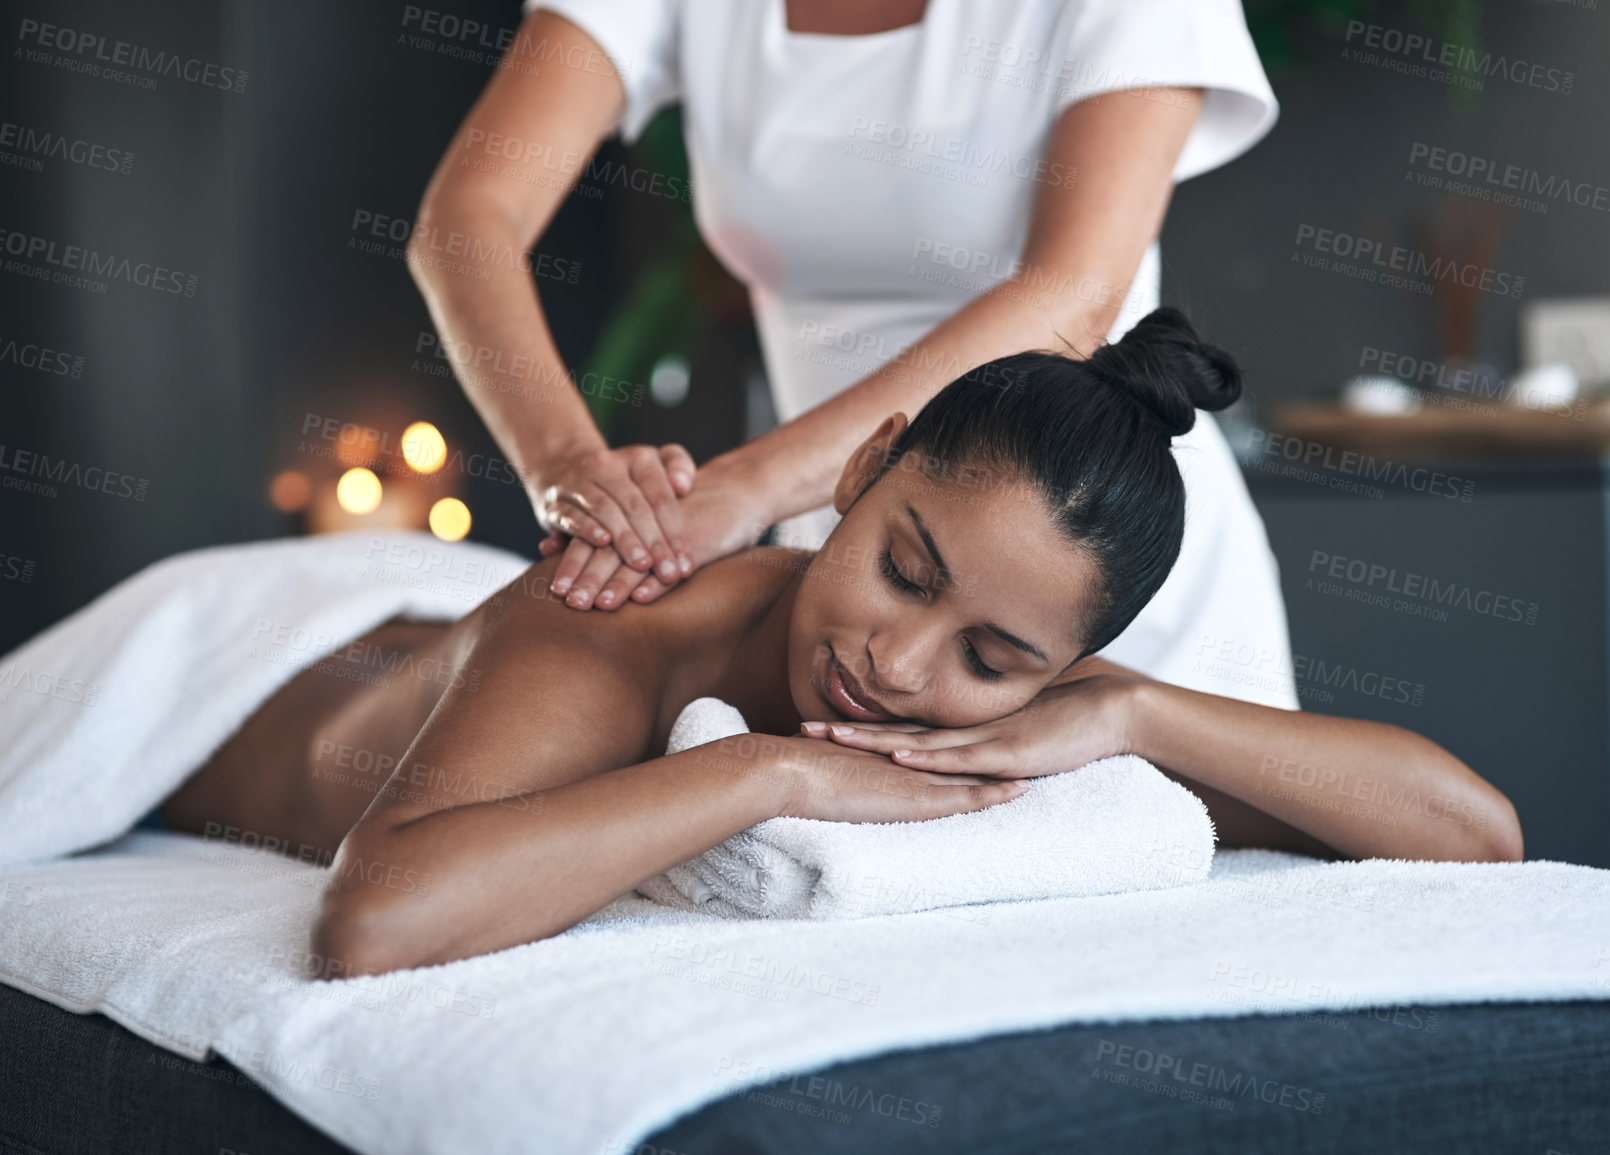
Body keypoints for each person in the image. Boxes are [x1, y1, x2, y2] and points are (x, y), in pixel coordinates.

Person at [156, 311, 1522, 977]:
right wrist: (772, 775)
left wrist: (1136, 713)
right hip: (231, 666)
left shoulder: (1040, 703)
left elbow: (1474, 832)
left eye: (991, 657)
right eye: (901, 568)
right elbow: (373, 918)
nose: (901, 666)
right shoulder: (616, 630)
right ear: (860, 470)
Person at [409, 0, 1300, 710]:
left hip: (1085, 572)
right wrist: (575, 467)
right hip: (854, 568)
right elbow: (468, 220)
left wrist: (746, 488)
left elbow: (1071, 296)